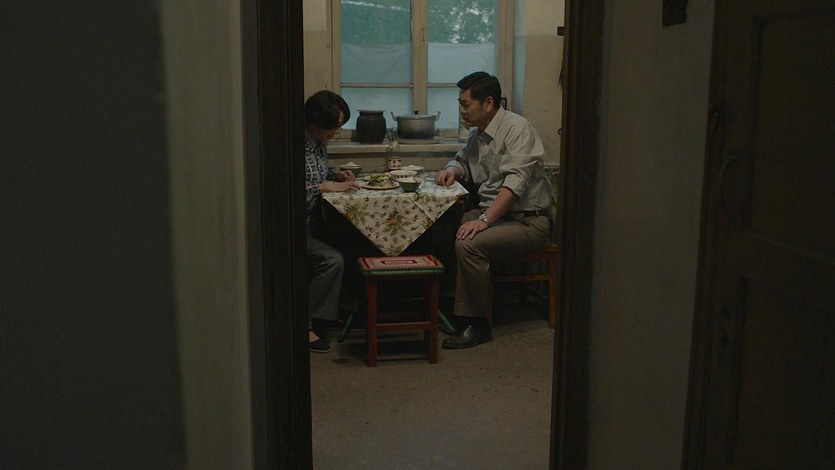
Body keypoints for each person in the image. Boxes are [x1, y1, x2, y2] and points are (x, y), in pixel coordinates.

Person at [435, 71, 552, 349]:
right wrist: (452, 170)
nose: (462, 111)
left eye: (466, 105)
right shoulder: (478, 135)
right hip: (498, 215)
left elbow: (515, 185)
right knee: (443, 227)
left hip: (527, 221)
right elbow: (462, 160)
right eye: (461, 105)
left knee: (470, 243)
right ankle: (452, 306)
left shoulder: (517, 129)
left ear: (488, 103)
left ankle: (477, 323)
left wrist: (485, 220)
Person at [304, 90, 359, 352]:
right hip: (296, 225)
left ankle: (337, 313)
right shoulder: (295, 143)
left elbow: (319, 171)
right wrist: (327, 187)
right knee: (331, 259)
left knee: (353, 242)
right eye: (334, 127)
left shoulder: (317, 141)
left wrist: (335, 174)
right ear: (315, 124)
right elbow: (294, 189)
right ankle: (305, 325)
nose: (336, 132)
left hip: (315, 220)